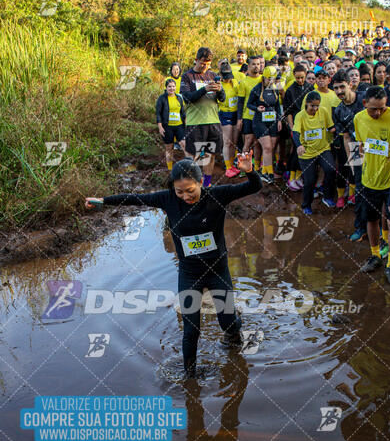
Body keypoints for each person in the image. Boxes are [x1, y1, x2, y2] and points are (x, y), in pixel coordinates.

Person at [85, 155, 262, 377]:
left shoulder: (217, 196)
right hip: (189, 274)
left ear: (201, 182)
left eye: (190, 190)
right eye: (180, 191)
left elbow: (254, 186)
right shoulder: (167, 200)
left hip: (217, 271)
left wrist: (249, 170)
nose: (185, 196)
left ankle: (235, 337)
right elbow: (135, 199)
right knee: (191, 330)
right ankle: (190, 377)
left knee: (227, 323)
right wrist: (102, 201)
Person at [354, 86, 390, 284]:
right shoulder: (358, 119)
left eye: (382, 108)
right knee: (370, 219)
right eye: (373, 109)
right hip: (368, 180)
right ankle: (375, 256)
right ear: (365, 104)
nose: (378, 112)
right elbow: (358, 148)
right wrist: (356, 175)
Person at [180, 47, 225, 188]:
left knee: (210, 155)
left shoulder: (212, 75)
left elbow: (222, 99)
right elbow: (187, 98)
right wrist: (205, 89)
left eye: (208, 63)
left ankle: (206, 184)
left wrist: (220, 90)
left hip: (213, 121)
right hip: (195, 122)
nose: (205, 66)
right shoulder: (187, 77)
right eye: (202, 63)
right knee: (193, 155)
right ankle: (190, 183)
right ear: (196, 60)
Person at [331, 70, 367, 240]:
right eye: (336, 88)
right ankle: (361, 228)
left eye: (341, 87)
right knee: (359, 190)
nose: (339, 91)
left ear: (350, 84)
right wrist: (352, 162)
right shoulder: (338, 111)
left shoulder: (365, 98)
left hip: (376, 151)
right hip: (356, 150)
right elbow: (346, 137)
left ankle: (384, 232)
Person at [293, 91, 336, 214]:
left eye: (317, 105)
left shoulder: (323, 111)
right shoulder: (300, 116)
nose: (315, 108)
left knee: (331, 169)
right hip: (306, 153)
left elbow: (330, 127)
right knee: (310, 180)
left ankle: (327, 197)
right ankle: (306, 205)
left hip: (323, 149)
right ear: (307, 104)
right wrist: (299, 145)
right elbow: (295, 133)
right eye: (312, 106)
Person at [247, 65, 282, 183]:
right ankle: (269, 174)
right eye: (268, 79)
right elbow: (249, 104)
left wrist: (279, 119)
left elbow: (277, 105)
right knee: (266, 147)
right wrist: (257, 108)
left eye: (272, 79)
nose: (270, 81)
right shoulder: (257, 89)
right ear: (264, 78)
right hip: (259, 121)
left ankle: (265, 171)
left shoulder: (275, 88)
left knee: (271, 148)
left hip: (272, 120)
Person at [282, 64, 313, 191]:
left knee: (305, 149)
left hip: (308, 124)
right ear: (294, 76)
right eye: (297, 78)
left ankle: (299, 176)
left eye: (302, 78)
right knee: (296, 149)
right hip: (295, 122)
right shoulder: (290, 90)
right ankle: (292, 177)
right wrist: (291, 126)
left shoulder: (310, 88)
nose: (300, 80)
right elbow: (288, 110)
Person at [237, 55, 262, 167]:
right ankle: (242, 165)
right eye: (253, 64)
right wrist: (239, 119)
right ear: (249, 66)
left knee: (257, 142)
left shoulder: (263, 80)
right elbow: (241, 102)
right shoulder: (244, 82)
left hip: (260, 115)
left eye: (258, 64)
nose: (256, 66)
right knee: (248, 141)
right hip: (248, 116)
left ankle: (256, 167)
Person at [156, 79, 186, 170]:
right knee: (169, 148)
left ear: (175, 87)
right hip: (167, 126)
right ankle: (170, 169)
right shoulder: (162, 98)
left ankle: (188, 166)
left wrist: (186, 124)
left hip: (179, 125)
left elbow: (183, 113)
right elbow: (158, 113)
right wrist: (160, 127)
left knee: (184, 144)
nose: (171, 88)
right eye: (169, 86)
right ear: (166, 87)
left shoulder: (179, 98)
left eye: (173, 86)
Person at [217, 61, 240, 177]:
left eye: (229, 76)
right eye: (225, 77)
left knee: (234, 142)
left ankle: (232, 165)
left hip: (236, 114)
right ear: (221, 75)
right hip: (225, 114)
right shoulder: (218, 85)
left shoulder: (235, 82)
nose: (227, 79)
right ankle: (227, 167)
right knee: (227, 141)